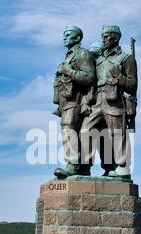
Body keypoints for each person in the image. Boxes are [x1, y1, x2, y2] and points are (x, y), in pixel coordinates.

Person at [80, 25, 137, 179]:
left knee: (117, 134)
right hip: (97, 100)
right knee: (85, 131)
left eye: (107, 36)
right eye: (103, 36)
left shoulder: (126, 59)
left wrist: (119, 77)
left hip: (114, 100)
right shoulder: (99, 60)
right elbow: (92, 82)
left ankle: (123, 167)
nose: (104, 39)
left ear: (116, 38)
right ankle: (84, 167)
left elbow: (132, 86)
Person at [52, 26, 95, 178]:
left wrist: (68, 71)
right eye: (64, 35)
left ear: (77, 38)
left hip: (75, 100)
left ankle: (72, 165)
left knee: (68, 130)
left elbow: (89, 77)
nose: (64, 38)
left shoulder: (82, 53)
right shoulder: (69, 55)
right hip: (66, 101)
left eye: (68, 35)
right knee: (73, 132)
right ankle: (82, 168)